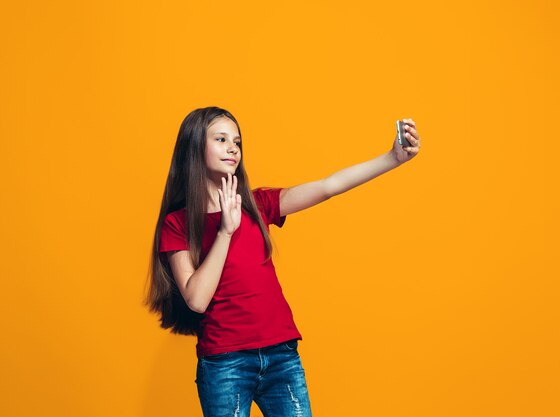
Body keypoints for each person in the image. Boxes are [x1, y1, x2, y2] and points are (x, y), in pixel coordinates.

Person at [146, 106, 421, 417]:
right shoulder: (177, 224)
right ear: (194, 147)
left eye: (237, 142)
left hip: (282, 356)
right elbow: (196, 299)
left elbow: (327, 187)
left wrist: (392, 158)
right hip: (225, 364)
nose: (233, 148)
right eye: (221, 139)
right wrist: (225, 230)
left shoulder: (258, 204)